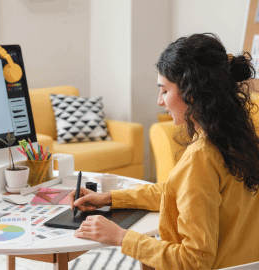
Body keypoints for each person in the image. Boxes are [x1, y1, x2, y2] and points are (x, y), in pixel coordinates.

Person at [69, 33, 259, 269]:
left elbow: (194, 260)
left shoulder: (202, 156)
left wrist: (121, 237)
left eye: (165, 91)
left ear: (193, 92)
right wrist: (110, 198)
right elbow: (176, 192)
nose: (160, 101)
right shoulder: (240, 137)